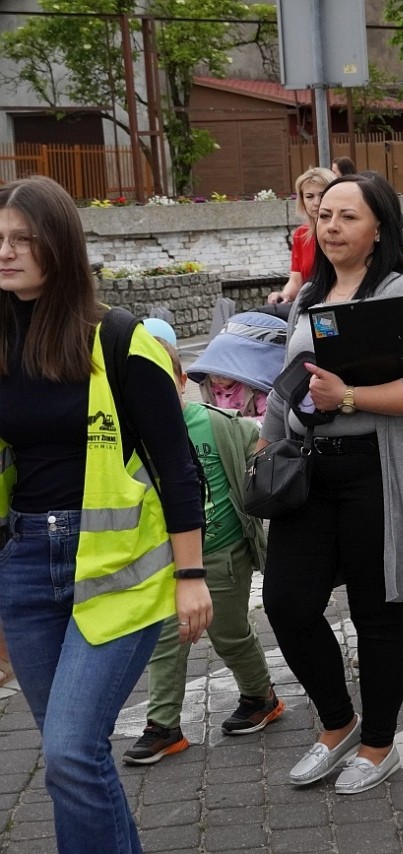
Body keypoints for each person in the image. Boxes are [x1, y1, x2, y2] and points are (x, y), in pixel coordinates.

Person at [0, 175, 211, 853]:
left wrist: (191, 575)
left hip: (118, 571)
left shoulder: (121, 339)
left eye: (23, 239)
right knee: (76, 756)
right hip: (24, 565)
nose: (5, 252)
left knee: (68, 751)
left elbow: (178, 466)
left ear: (60, 245)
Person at [260, 172, 403, 795]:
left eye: (348, 217)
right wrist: (269, 438)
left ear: (377, 229)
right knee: (287, 603)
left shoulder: (400, 293)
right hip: (307, 471)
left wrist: (348, 397)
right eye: (325, 215)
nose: (332, 226)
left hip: (378, 471)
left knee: (377, 612)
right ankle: (338, 724)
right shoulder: (309, 296)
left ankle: (378, 743)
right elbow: (288, 383)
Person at [124, 338, 282, 765]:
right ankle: (163, 726)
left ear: (181, 381)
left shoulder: (216, 423)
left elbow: (264, 449)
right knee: (166, 639)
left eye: (160, 382)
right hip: (164, 558)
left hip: (222, 553)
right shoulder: (131, 436)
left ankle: (260, 696)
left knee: (229, 635)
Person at [186, 311, 289, 421]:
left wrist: (243, 423)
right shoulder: (209, 385)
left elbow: (269, 418)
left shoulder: (253, 391)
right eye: (212, 374)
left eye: (223, 375)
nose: (216, 379)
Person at [265, 166, 337, 314]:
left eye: (322, 195)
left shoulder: (341, 231)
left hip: (337, 306)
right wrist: (284, 295)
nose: (316, 202)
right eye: (309, 196)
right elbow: (296, 280)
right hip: (309, 307)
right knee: (256, 319)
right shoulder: (301, 234)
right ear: (302, 201)